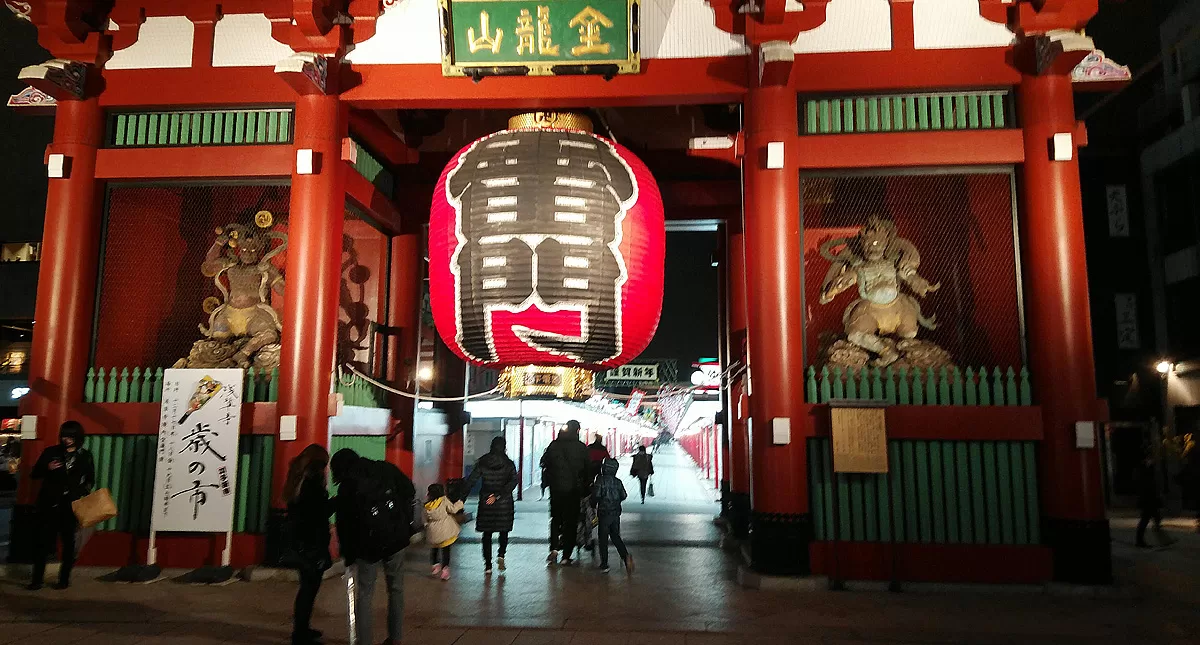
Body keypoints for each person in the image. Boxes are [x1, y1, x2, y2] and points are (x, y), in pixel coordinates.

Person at [331, 449, 416, 645]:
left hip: (367, 546)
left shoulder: (347, 486)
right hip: (396, 540)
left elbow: (345, 524)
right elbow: (409, 490)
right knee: (396, 589)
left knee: (365, 594)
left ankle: (364, 641)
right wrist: (402, 520)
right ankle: (395, 638)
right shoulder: (385, 468)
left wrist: (348, 554)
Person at [28, 421, 95, 591]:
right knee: (42, 543)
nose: (66, 440)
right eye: (64, 436)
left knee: (68, 544)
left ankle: (64, 579)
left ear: (78, 437)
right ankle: (37, 580)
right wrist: (47, 467)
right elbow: (34, 474)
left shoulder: (85, 456)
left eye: (70, 436)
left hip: (70, 506)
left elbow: (90, 480)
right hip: (49, 504)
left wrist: (79, 493)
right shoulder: (51, 452)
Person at [283, 445, 333, 645]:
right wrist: (336, 502)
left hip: (301, 542)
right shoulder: (313, 485)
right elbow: (318, 512)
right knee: (309, 589)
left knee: (306, 588)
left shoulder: (298, 480)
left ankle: (302, 628)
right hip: (312, 543)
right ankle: (300, 633)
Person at [464, 436, 518, 574]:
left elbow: (471, 481)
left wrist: (461, 498)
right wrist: (498, 495)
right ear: (504, 447)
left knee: (487, 534)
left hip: (486, 501)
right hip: (504, 502)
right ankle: (501, 555)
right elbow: (513, 482)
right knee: (503, 531)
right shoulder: (509, 463)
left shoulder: (483, 462)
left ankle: (488, 565)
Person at [540, 420, 589, 565]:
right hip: (573, 491)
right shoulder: (581, 448)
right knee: (571, 522)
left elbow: (544, 462)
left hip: (556, 490)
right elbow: (587, 470)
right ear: (577, 431)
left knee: (555, 520)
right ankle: (566, 556)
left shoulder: (554, 445)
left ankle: (554, 549)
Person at [591, 457, 634, 574]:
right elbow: (624, 495)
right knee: (615, 536)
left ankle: (604, 564)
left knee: (603, 539)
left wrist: (592, 504)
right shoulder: (618, 482)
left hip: (604, 514)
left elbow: (596, 496)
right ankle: (625, 557)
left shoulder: (600, 480)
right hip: (615, 514)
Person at [423, 483, 464, 581]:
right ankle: (445, 571)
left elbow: (424, 519)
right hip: (445, 530)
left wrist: (427, 526)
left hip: (433, 531)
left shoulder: (427, 505)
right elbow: (453, 510)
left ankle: (435, 565)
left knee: (434, 549)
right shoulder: (444, 500)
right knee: (446, 551)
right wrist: (460, 503)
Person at [1133, 455, 1172, 548]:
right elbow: (1146, 485)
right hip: (1147, 500)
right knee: (1147, 519)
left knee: (1154, 518)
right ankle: (1141, 540)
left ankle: (1162, 539)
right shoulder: (1143, 471)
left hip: (1150, 499)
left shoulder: (1148, 470)